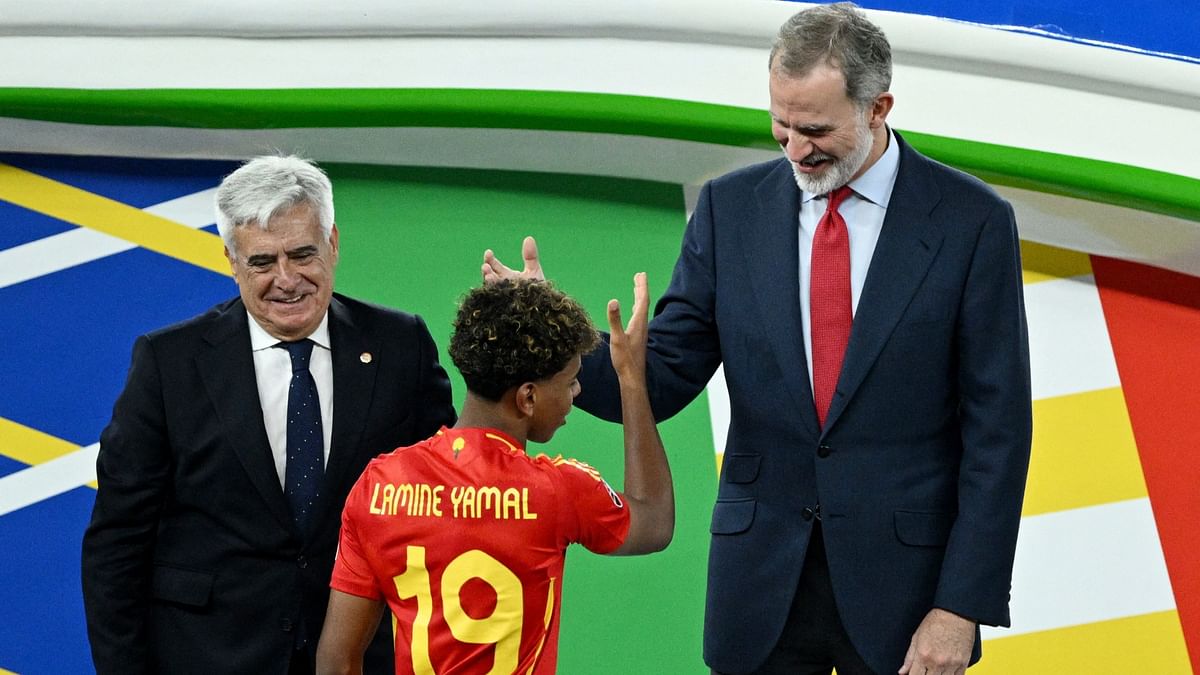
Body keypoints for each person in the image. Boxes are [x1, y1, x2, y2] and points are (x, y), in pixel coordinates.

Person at [481, 3, 1032, 674]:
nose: (795, 149)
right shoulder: (729, 209)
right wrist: (551, 334)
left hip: (906, 596)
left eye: (816, 129)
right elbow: (661, 375)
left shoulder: (972, 223)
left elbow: (997, 433)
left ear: (879, 106)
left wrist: (960, 605)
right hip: (762, 590)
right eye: (781, 126)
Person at [81, 155, 456, 675]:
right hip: (207, 655)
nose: (286, 280)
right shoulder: (169, 364)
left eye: (303, 253)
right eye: (261, 261)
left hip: (359, 655)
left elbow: (452, 496)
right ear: (232, 261)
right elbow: (117, 544)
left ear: (333, 244)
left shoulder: (400, 346)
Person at [314, 275, 673, 674]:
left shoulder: (379, 486)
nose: (575, 393)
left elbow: (337, 661)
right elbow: (655, 521)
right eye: (571, 381)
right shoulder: (558, 490)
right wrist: (630, 378)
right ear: (528, 397)